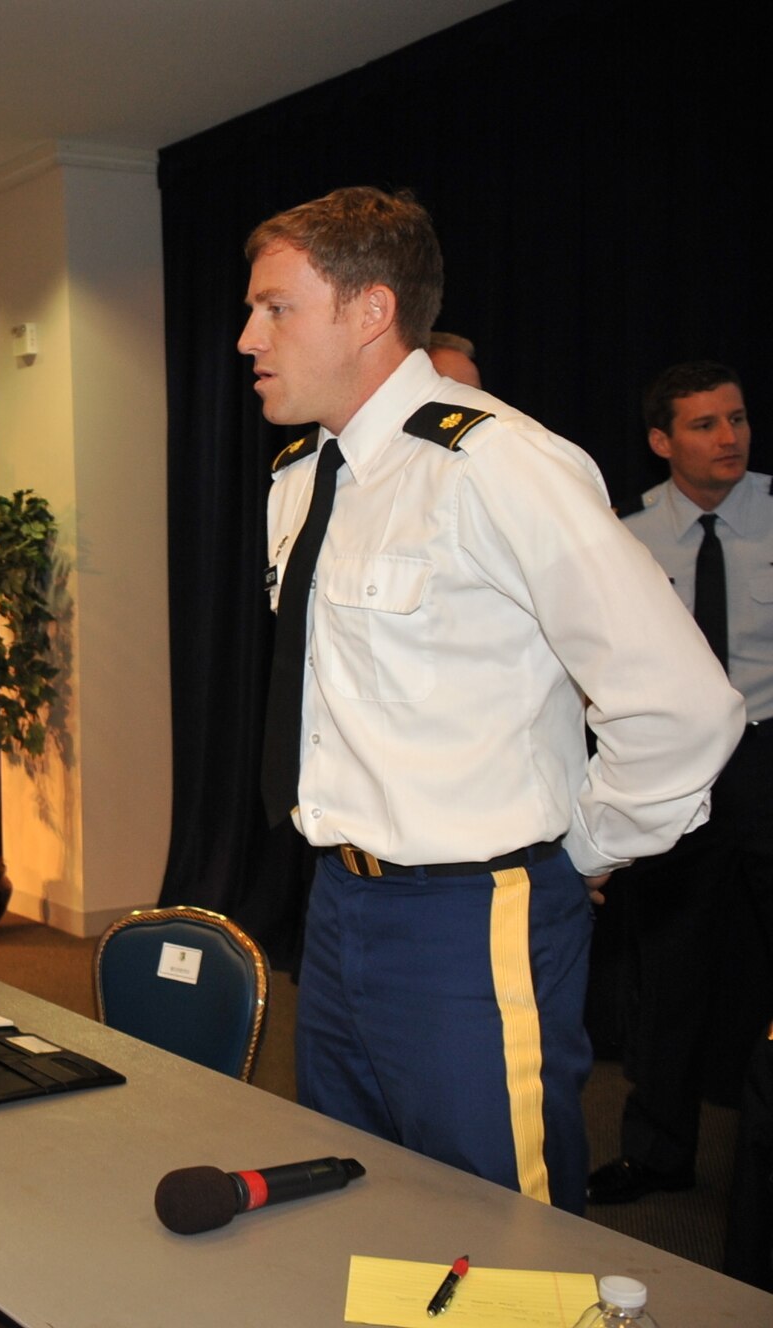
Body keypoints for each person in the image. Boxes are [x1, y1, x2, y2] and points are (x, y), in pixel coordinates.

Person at [242, 186, 742, 1213]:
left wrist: (585, 848)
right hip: (333, 906)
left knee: (500, 1238)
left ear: (368, 310)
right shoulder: (299, 474)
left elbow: (684, 703)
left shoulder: (496, 463)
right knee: (354, 1205)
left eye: (274, 307)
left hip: (469, 917)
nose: (247, 336)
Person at [589, 362, 773, 1204]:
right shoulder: (621, 536)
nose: (728, 437)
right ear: (662, 441)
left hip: (770, 759)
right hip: (679, 775)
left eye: (735, 419)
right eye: (704, 425)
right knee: (668, 973)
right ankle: (658, 1154)